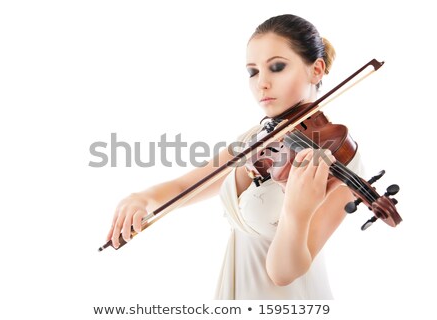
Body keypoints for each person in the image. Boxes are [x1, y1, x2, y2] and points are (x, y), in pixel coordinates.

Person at [105, 14, 365, 299]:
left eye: (276, 67)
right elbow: (185, 187)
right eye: (253, 72)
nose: (261, 84)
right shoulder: (259, 138)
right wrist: (142, 198)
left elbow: (283, 273)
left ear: (316, 70)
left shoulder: (341, 160)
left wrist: (296, 211)